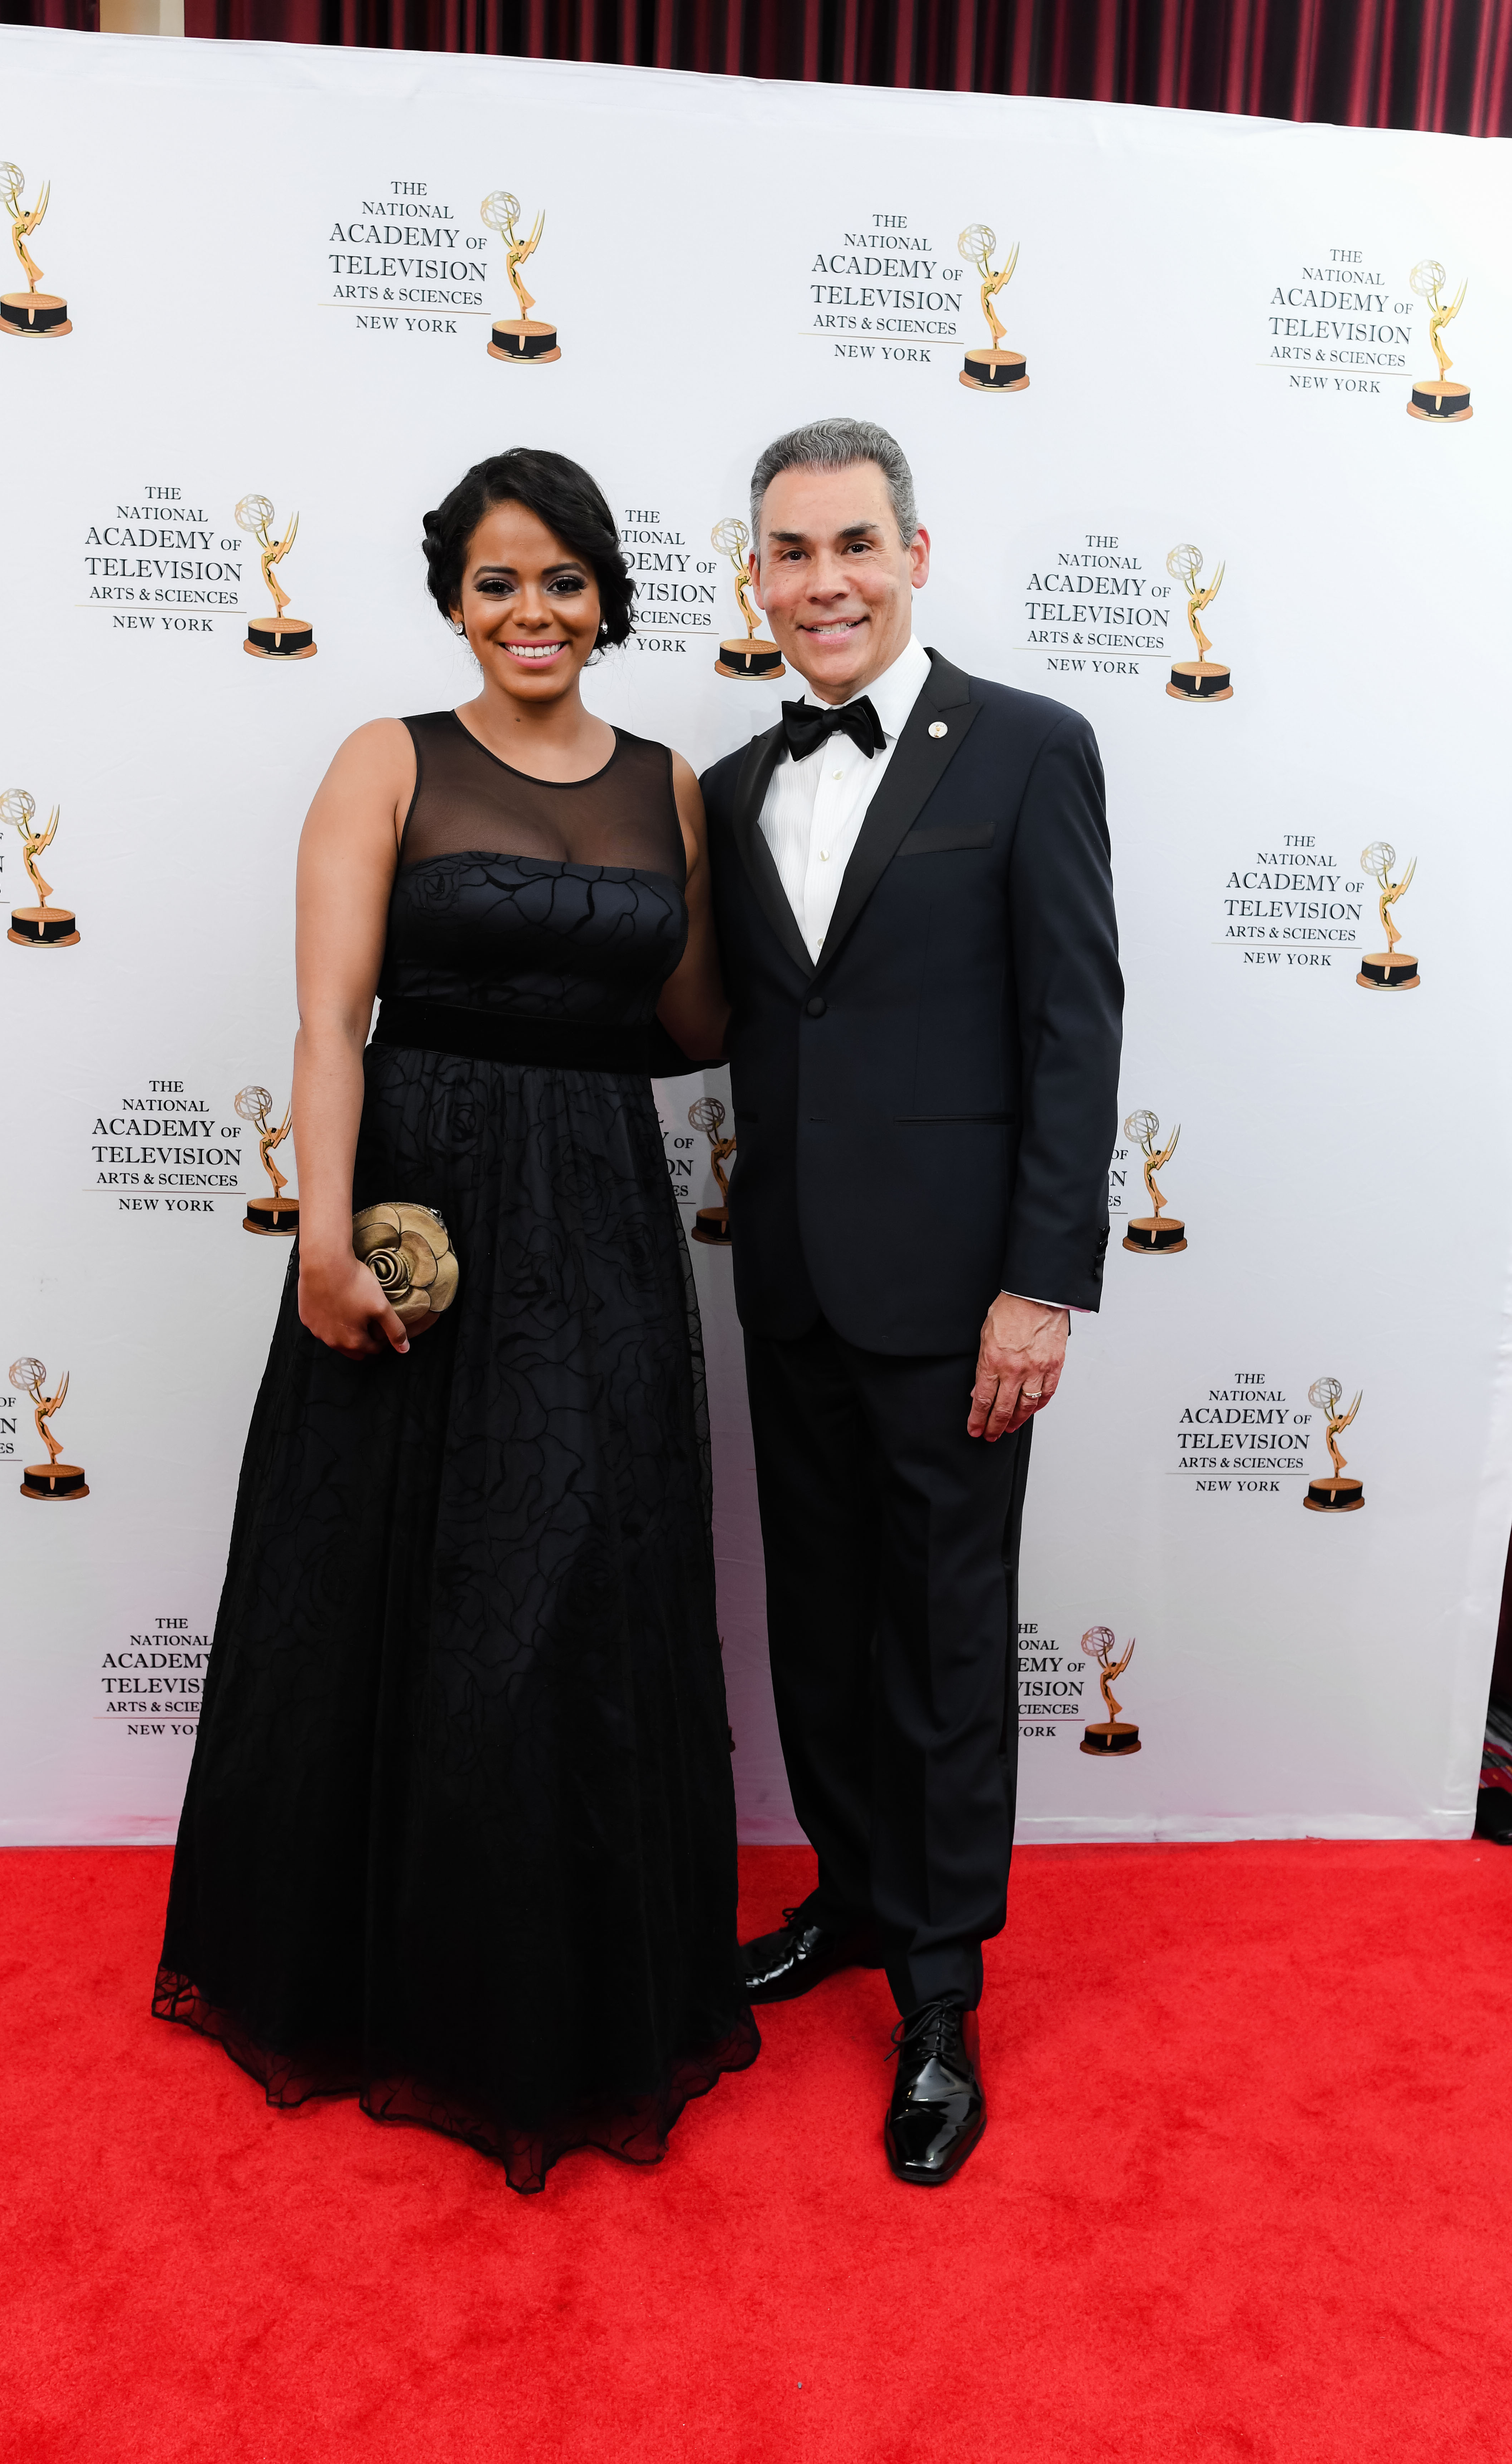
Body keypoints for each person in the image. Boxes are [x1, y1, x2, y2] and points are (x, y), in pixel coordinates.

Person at [156, 448, 758, 2193]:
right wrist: (321, 1242)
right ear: (453, 600)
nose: (532, 611)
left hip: (605, 1218)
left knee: (571, 1587)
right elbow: (327, 1025)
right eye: (498, 581)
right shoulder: (388, 759)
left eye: (564, 580)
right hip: (425, 1215)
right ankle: (387, 1980)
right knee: (401, 1589)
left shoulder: (667, 787)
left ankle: (558, 1985)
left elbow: (702, 1020)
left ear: (607, 598)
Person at [701, 418, 1122, 2185]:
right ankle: (858, 1898)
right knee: (816, 1623)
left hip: (961, 1299)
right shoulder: (727, 786)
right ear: (755, 578)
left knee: (945, 1641)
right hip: (792, 1282)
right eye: (791, 552)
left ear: (917, 554)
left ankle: (940, 1992)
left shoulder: (1029, 749)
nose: (826, 582)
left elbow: (1074, 1027)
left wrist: (1042, 1282)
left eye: (855, 544)